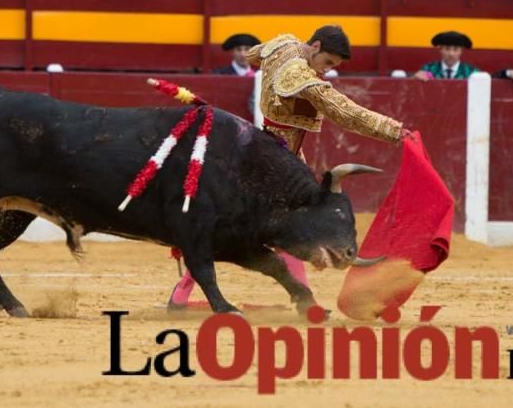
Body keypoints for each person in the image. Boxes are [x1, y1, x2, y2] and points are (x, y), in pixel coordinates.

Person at [168, 25, 408, 310]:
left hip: (272, 151)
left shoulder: (285, 44)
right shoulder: (300, 75)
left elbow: (255, 54)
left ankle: (302, 299)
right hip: (275, 164)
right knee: (253, 228)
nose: (327, 71)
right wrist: (393, 130)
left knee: (270, 228)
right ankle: (302, 299)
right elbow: (344, 111)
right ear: (316, 46)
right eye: (328, 63)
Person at [415, 31, 479, 80]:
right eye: (447, 49)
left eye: (455, 49)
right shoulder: (428, 69)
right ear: (440, 49)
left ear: (461, 51)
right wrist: (416, 78)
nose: (451, 54)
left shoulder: (472, 73)